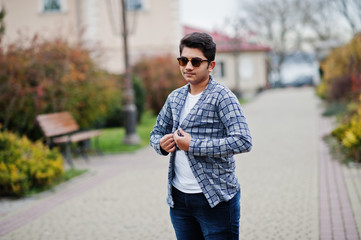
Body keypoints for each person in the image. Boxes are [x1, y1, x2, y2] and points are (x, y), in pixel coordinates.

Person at [150, 32, 252, 240]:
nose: (188, 66)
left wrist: (193, 145)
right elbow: (156, 133)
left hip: (216, 198)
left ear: (211, 65)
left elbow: (243, 140)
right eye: (183, 60)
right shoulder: (175, 97)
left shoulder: (222, 97)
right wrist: (160, 144)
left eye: (195, 61)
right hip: (179, 199)